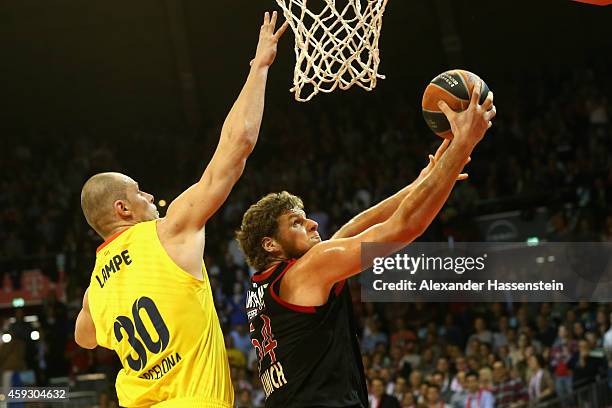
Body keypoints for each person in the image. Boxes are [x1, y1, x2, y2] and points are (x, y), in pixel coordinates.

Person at [73, 11, 288, 407]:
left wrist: (102, 291)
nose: (150, 198)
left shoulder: (95, 291)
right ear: (122, 208)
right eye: (139, 194)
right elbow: (236, 147)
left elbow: (83, 336)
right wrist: (258, 67)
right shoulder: (167, 233)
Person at [237, 84, 496, 406]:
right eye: (297, 223)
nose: (313, 224)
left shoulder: (264, 287)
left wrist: (424, 181)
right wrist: (463, 146)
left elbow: (351, 230)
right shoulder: (307, 271)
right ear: (271, 245)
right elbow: (404, 227)